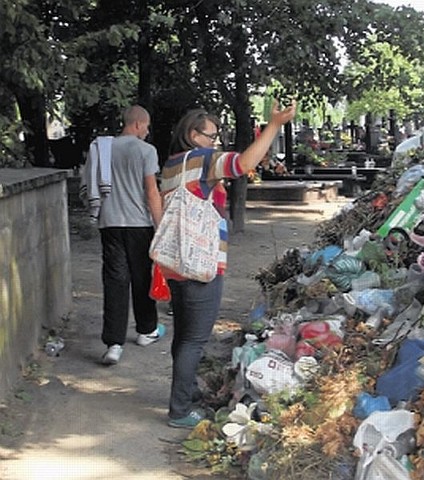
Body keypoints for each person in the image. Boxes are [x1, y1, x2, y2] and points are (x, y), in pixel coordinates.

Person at [159, 100, 296, 428]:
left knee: (184, 335)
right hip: (201, 263)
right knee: (195, 339)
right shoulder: (203, 160)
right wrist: (274, 125)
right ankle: (178, 410)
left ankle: (187, 393)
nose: (214, 142)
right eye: (211, 136)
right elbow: (244, 163)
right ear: (193, 135)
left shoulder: (172, 165)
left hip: (175, 262)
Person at [96, 105, 165, 365]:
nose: (146, 131)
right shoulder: (146, 151)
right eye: (146, 126)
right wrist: (160, 227)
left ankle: (113, 344)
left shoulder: (102, 149)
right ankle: (146, 331)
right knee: (141, 278)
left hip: (109, 222)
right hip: (138, 224)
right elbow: (151, 191)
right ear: (137, 124)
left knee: (114, 280)